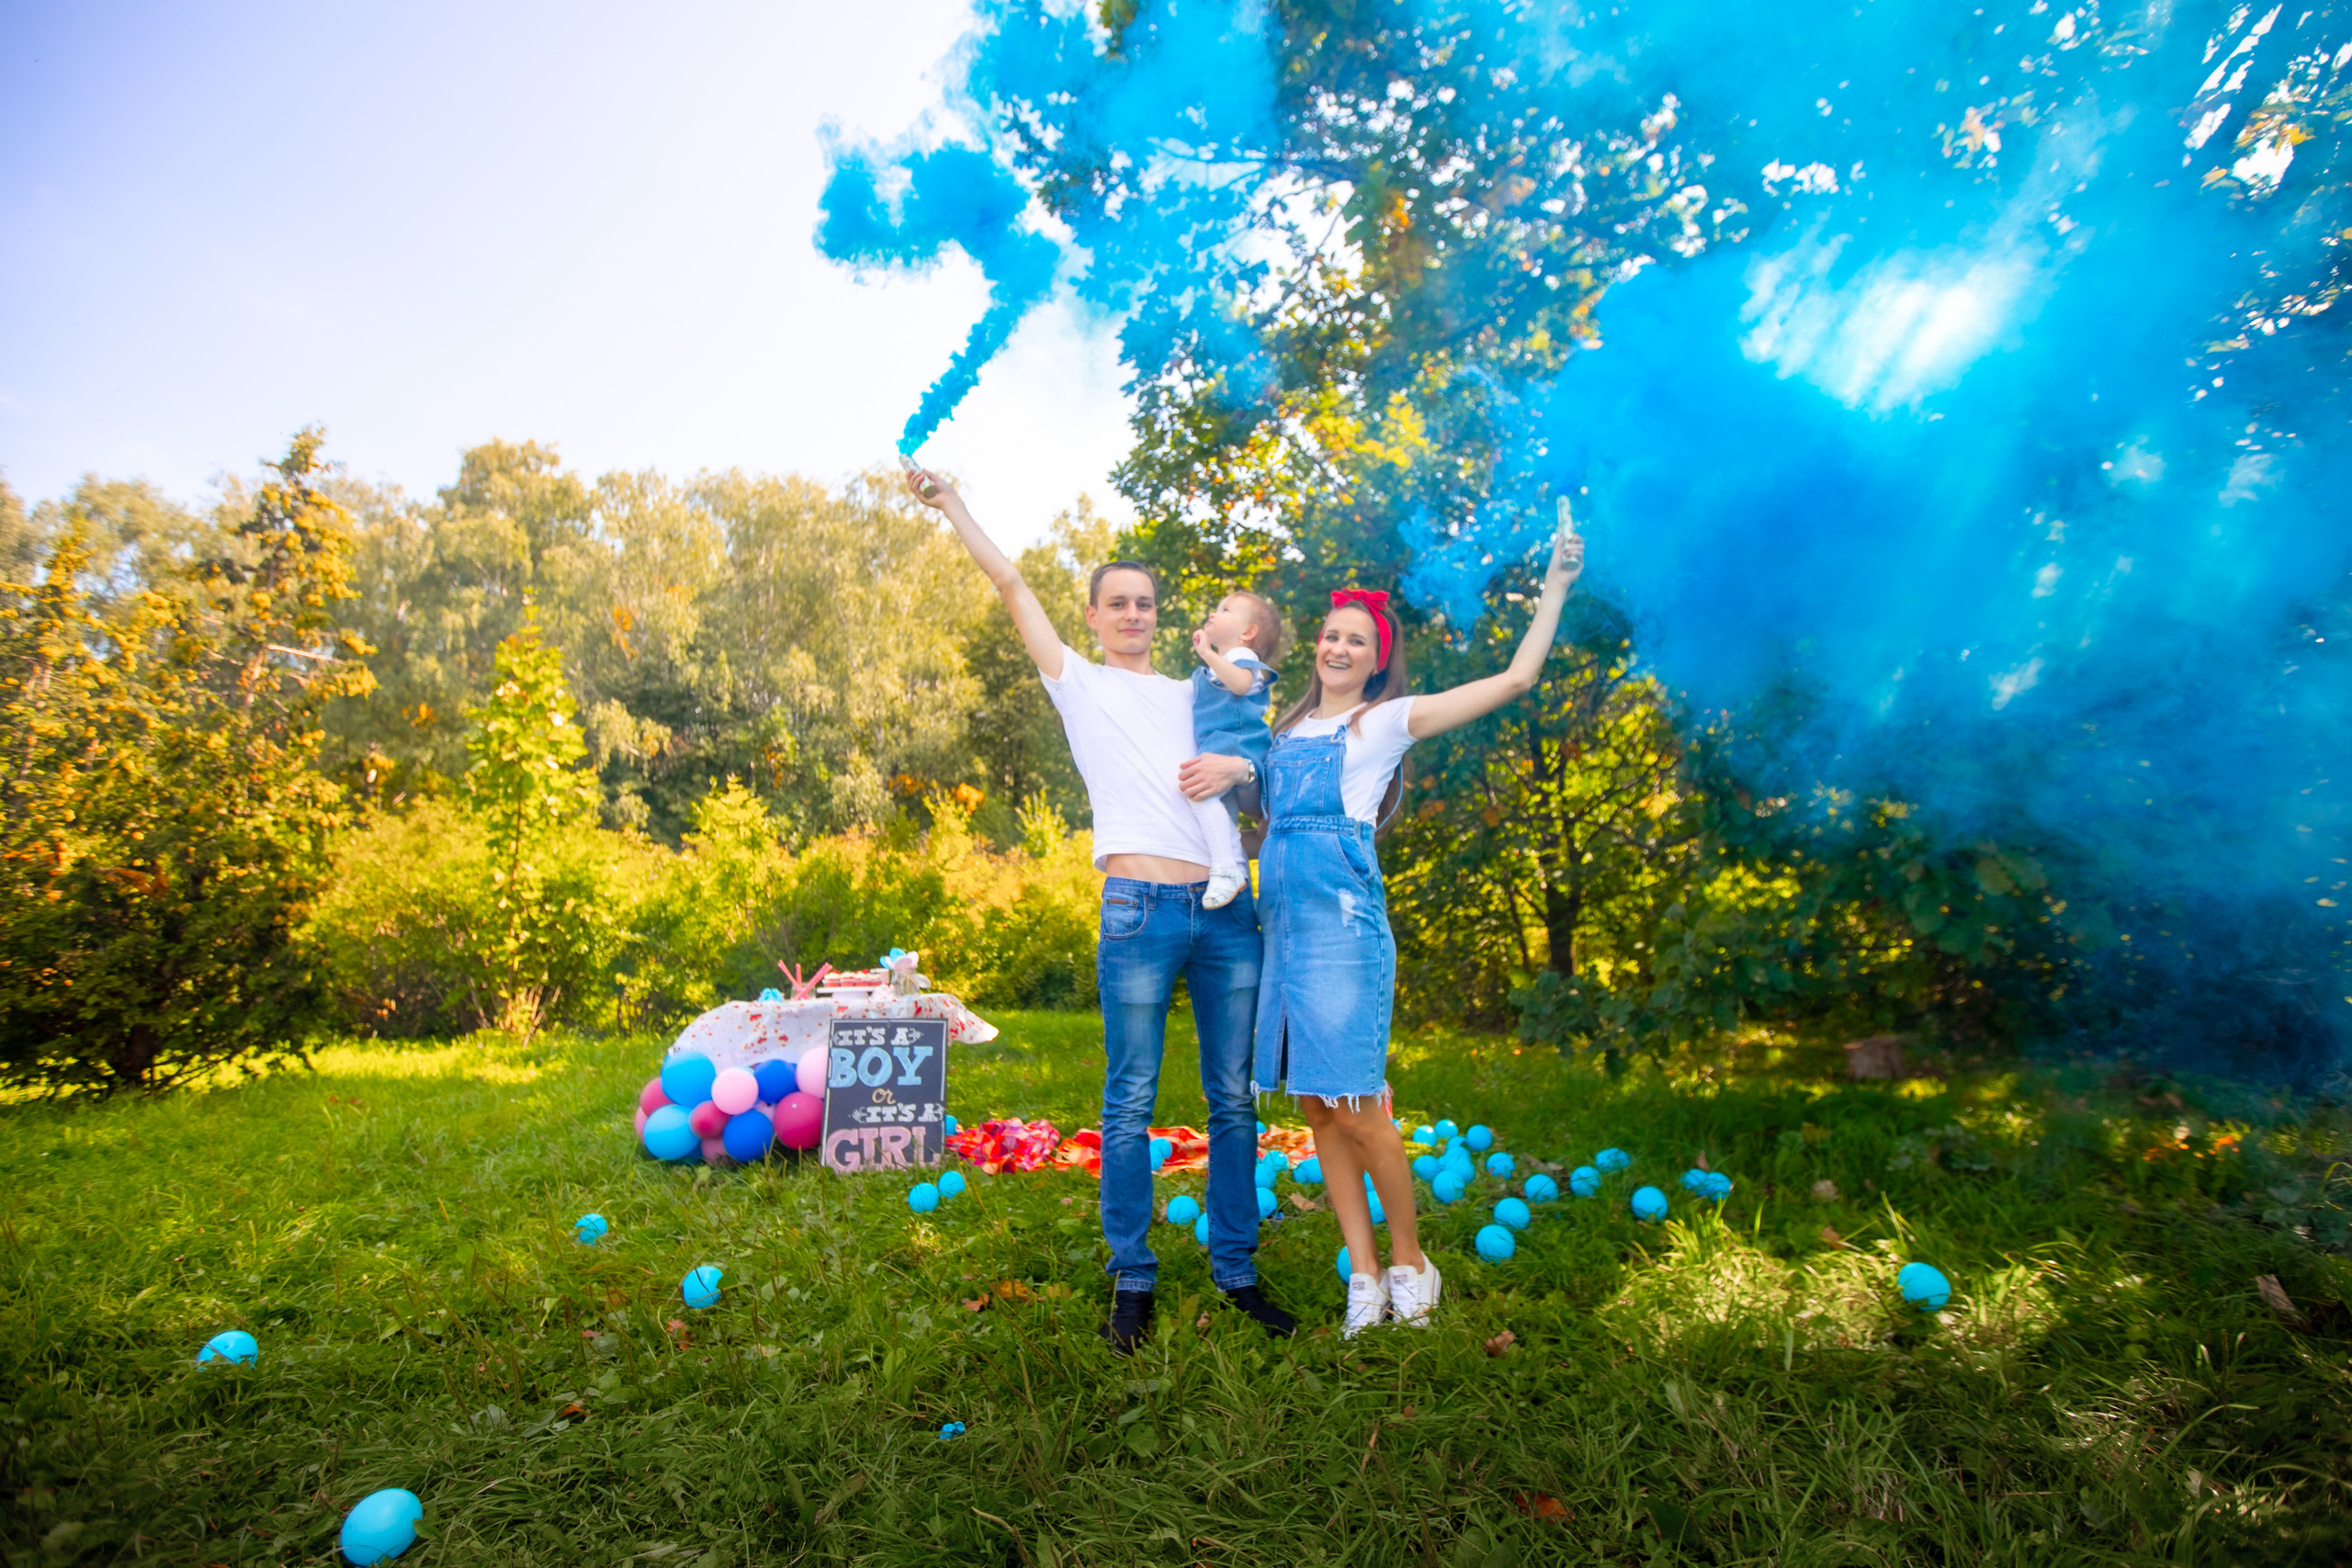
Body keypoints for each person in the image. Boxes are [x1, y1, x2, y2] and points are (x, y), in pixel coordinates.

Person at [902, 463, 1295, 1353]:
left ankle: (1236, 1269)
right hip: (1138, 912)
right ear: (1091, 616)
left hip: (1226, 914)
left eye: (1144, 603)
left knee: (1232, 1099)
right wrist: (951, 502)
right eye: (1116, 603)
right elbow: (1010, 582)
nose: (1132, 615)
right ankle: (1134, 1276)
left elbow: (1268, 761)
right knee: (1129, 1099)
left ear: (1159, 615)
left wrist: (1241, 767)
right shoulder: (1077, 682)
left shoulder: (1199, 690)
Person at [1185, 502, 1586, 1337]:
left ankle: (1410, 1261)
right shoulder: (1282, 728)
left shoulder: (1386, 722)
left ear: (1377, 661)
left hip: (1343, 934)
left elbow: (1514, 681)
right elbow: (1254, 818)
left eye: (1356, 641)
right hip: (1281, 932)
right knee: (1317, 1111)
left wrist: (1553, 587)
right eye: (1331, 636)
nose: (1338, 647)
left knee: (1361, 1108)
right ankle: (1362, 1275)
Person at [1186, 592, 1284, 910]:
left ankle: (1225, 870)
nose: (1215, 613)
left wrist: (1206, 653)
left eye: (1225, 609)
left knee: (1197, 792)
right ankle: (1230, 871)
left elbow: (1240, 685)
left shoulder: (1242, 657)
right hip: (1221, 749)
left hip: (1237, 744)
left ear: (1247, 632)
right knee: (1220, 812)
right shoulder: (1212, 670)